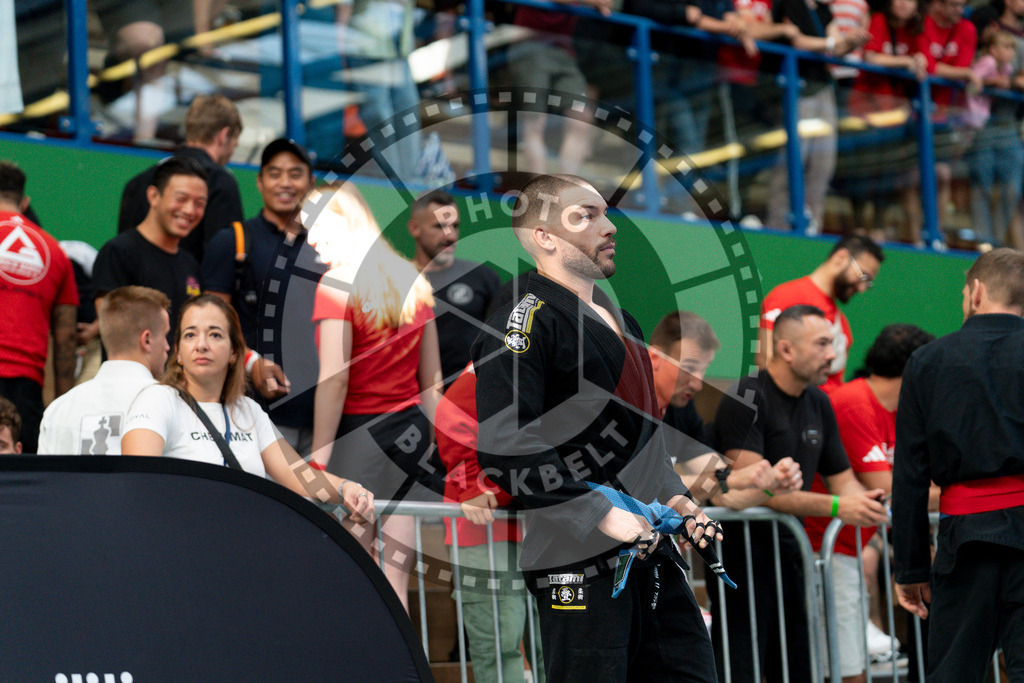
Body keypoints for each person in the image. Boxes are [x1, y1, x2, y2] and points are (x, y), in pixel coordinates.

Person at [473, 174, 722, 682]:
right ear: (544, 237)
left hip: (651, 549)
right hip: (576, 554)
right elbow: (503, 444)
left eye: (606, 214)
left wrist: (678, 501)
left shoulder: (621, 319)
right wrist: (600, 514)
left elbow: (646, 439)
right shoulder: (524, 320)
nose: (608, 227)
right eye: (585, 217)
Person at [710, 304, 889, 683]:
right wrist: (841, 506)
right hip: (742, 561)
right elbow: (757, 492)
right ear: (787, 349)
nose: (832, 354)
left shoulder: (819, 401)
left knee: (797, 664)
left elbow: (844, 482)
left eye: (834, 343)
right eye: (822, 343)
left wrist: (869, 503)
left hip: (792, 555)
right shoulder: (747, 396)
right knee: (748, 665)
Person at [120, 294, 375, 524]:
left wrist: (347, 489)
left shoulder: (248, 411)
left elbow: (300, 476)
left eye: (215, 334)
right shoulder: (157, 400)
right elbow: (140, 480)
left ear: (234, 353)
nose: (201, 345)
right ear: (177, 352)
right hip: (180, 543)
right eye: (190, 335)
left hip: (240, 546)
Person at [308, 182, 443, 612]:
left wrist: (318, 461)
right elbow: (432, 386)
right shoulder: (414, 282)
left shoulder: (337, 283)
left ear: (344, 223)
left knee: (349, 579)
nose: (309, 238)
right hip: (411, 438)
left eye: (315, 225)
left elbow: (334, 378)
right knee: (394, 581)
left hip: (359, 442)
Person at [894, 248, 1024, 679]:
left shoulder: (928, 361)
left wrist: (910, 567)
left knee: (954, 674)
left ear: (976, 291)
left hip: (966, 543)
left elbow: (910, 472)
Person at [802, 323, 935, 682]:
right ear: (915, 369)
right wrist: (968, 492)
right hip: (821, 551)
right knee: (848, 671)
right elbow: (895, 489)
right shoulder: (854, 403)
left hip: (848, 548)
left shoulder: (898, 411)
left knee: (851, 665)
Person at [202, 138, 322, 452]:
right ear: (259, 182)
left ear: (310, 183)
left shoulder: (329, 246)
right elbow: (212, 325)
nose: (285, 182)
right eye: (274, 173)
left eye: (295, 174)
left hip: (327, 419)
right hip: (255, 414)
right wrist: (252, 363)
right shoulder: (233, 241)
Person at [437, 363, 544, 683]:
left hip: (538, 523)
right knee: (500, 639)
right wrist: (475, 485)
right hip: (482, 527)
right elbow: (450, 413)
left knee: (552, 639)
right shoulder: (493, 364)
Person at [647, 310, 804, 504]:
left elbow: (725, 496)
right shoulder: (622, 404)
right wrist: (729, 479)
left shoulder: (683, 410)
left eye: (704, 369)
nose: (698, 384)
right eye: (688, 368)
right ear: (654, 358)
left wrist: (773, 485)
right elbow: (641, 484)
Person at [764, 0, 869, 232]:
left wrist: (852, 43)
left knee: (823, 162)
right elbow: (798, 41)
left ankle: (813, 223)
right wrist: (835, 42)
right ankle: (778, 222)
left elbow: (838, 48)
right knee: (793, 160)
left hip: (823, 89)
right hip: (797, 87)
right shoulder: (789, 4)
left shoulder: (824, 10)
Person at [0, 160, 78, 454]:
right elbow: (66, 337)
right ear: (25, 201)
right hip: (26, 392)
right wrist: (64, 408)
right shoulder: (54, 251)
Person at [38, 286, 170, 455]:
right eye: (165, 335)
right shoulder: (172, 402)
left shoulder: (57, 410)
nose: (167, 346)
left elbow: (47, 480)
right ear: (147, 340)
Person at [117, 94, 243, 264]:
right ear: (223, 135)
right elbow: (224, 258)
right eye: (234, 144)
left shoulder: (137, 182)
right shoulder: (221, 181)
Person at [95, 156, 207, 343]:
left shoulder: (191, 266)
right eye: (181, 199)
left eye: (200, 204)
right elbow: (113, 332)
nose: (189, 210)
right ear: (154, 196)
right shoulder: (118, 252)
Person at [759, 235, 884, 392]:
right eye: (863, 276)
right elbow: (766, 362)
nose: (862, 288)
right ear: (841, 258)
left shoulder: (843, 325)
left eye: (868, 283)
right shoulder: (787, 297)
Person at [407, 189, 500, 387]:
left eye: (455, 226)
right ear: (415, 228)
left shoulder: (483, 276)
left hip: (473, 397)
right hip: (413, 402)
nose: (450, 236)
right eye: (439, 226)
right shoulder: (396, 281)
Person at [966, 30, 1022, 247]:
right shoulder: (988, 61)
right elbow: (973, 82)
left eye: (1011, 48)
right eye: (1005, 47)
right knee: (983, 186)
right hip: (981, 127)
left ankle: (994, 238)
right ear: (993, 49)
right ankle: (983, 241)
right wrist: (993, 81)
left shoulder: (1007, 68)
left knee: (1011, 190)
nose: (1009, 53)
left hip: (1005, 128)